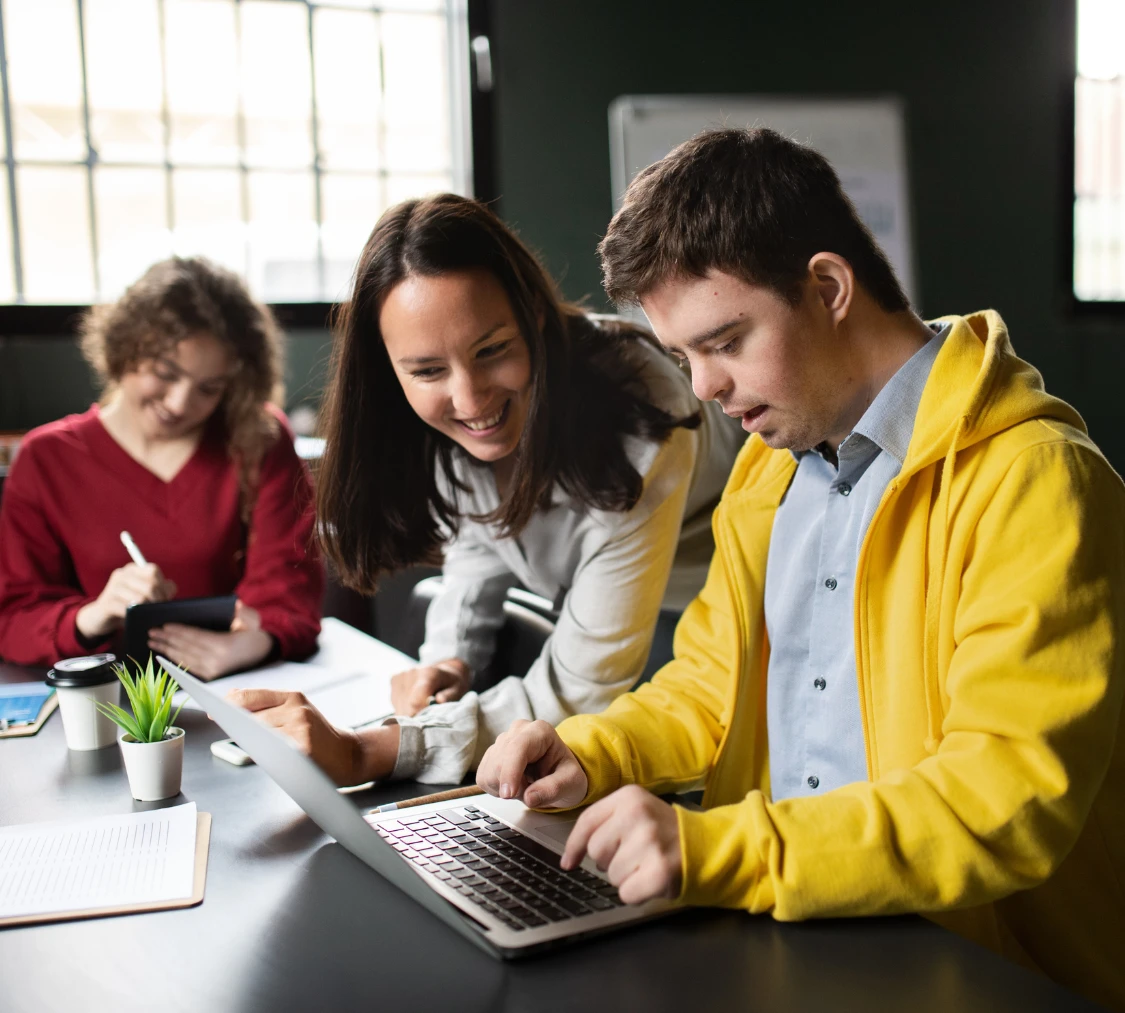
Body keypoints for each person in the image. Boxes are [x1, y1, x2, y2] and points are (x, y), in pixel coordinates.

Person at [473, 128, 1125, 1012]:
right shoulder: (768, 471)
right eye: (683, 356)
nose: (703, 387)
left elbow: (1003, 797)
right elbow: (712, 682)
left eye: (726, 341)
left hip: (974, 969)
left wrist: (717, 853)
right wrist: (593, 752)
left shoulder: (1035, 479)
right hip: (787, 940)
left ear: (826, 288)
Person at [230, 194, 742, 785]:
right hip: (614, 625)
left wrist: (375, 749)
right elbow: (480, 538)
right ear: (388, 371)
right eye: (427, 371)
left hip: (713, 606)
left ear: (537, 319)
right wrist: (449, 659)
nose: (470, 401)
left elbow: (581, 687)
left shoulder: (641, 409)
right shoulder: (439, 428)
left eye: (492, 350)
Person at [0, 257, 324, 676]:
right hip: (98, 697)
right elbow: (15, 616)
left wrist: (250, 644)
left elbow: (289, 590)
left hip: (233, 689)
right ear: (124, 348)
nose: (179, 404)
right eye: (164, 373)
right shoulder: (46, 457)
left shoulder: (258, 439)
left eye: (209, 389)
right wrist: (93, 615)